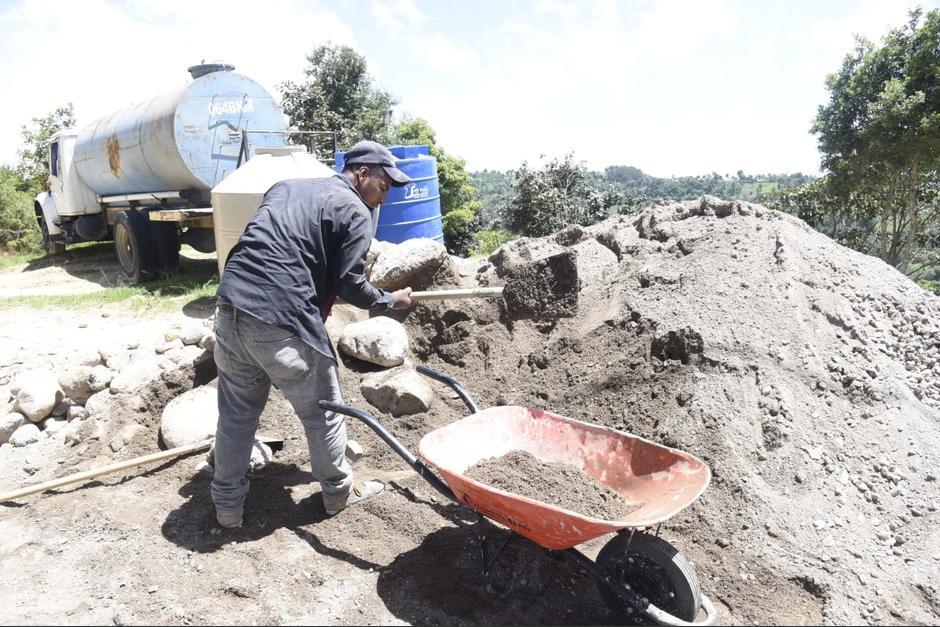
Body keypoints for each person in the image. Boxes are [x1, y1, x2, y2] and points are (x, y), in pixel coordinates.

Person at [210, 140, 414, 528]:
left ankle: (227, 510)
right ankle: (338, 494)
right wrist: (391, 299)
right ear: (363, 172)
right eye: (383, 187)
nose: (383, 200)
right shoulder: (354, 208)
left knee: (236, 417)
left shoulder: (285, 186)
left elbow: (275, 246)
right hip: (279, 317)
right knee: (325, 413)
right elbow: (351, 285)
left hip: (230, 307)